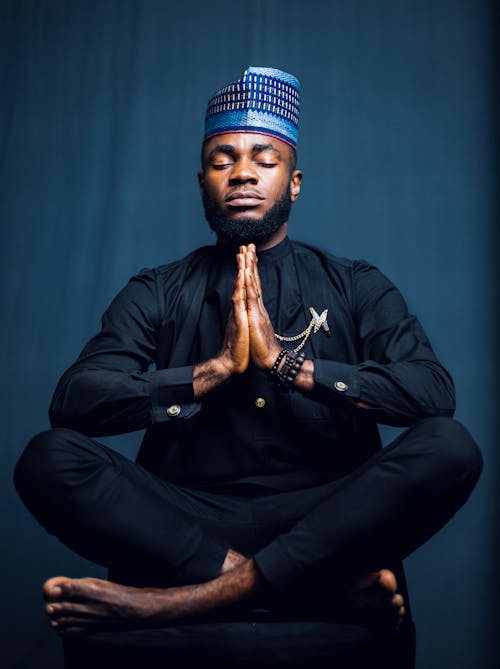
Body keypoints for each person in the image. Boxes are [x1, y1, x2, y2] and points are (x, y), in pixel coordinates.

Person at [14, 66, 482, 637]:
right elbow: (74, 402)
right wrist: (210, 373)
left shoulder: (355, 284)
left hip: (328, 514)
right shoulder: (158, 289)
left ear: (295, 181)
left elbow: (433, 394)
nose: (242, 175)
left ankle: (178, 603)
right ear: (203, 182)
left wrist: (288, 366)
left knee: (449, 446)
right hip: (186, 518)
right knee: (48, 457)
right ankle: (304, 590)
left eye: (264, 160)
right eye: (222, 161)